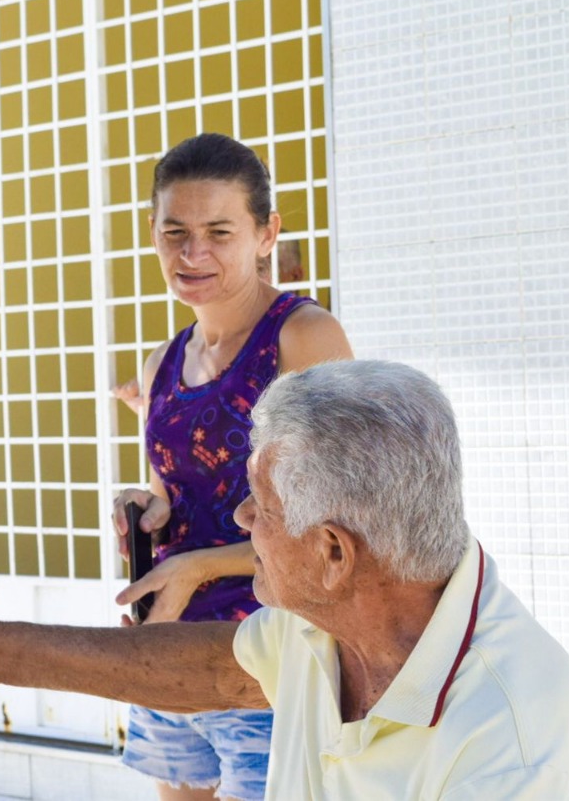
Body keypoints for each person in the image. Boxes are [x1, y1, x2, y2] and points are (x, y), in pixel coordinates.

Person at [0, 360, 569, 800]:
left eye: (261, 505)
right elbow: (224, 668)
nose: (239, 519)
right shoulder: (334, 624)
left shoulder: (507, 734)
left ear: (335, 554)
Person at [111, 133, 352, 801]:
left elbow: (342, 525)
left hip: (272, 661)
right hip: (169, 653)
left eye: (220, 230)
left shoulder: (303, 338)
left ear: (266, 233)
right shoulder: (163, 362)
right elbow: (176, 491)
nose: (194, 254)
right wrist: (149, 511)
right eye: (175, 232)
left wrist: (199, 567)